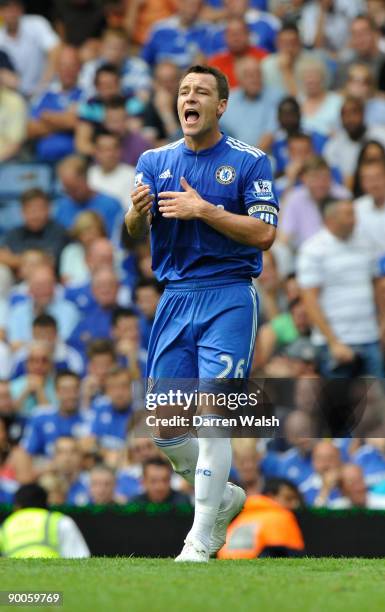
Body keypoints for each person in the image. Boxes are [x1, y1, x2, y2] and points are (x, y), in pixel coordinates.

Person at [125, 64, 278, 562]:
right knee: (166, 430)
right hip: (174, 296)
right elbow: (131, 230)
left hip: (229, 294)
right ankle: (223, 499)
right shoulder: (153, 160)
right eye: (184, 90)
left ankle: (200, 541)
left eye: (201, 91)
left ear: (221, 106)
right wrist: (135, 213)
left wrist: (204, 209)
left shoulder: (250, 161)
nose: (189, 97)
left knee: (214, 418)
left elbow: (264, 234)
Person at [297, 198, 384, 378]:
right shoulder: (313, 249)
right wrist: (333, 342)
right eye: (348, 215)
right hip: (334, 342)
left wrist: (382, 323)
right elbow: (309, 299)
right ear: (330, 219)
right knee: (339, 404)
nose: (354, 220)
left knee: (379, 402)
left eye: (353, 214)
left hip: (370, 336)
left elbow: (378, 286)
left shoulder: (367, 243)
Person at [218, 477, 304, 559]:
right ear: (271, 496)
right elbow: (292, 553)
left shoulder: (242, 518)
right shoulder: (281, 517)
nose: (295, 504)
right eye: (288, 498)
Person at [0, 483, 90, 557]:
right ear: (46, 503)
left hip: (15, 577)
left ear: (17, 506)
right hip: (54, 576)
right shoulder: (59, 521)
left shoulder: (6, 526)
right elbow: (81, 556)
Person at [27, 45, 83, 163]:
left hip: (73, 162)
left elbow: (77, 123)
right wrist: (64, 122)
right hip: (42, 161)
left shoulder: (87, 94)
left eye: (72, 65)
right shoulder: (44, 94)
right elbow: (30, 129)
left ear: (79, 68)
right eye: (63, 65)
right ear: (57, 68)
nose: (67, 70)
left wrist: (47, 117)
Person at [55, 154, 124, 240]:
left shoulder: (111, 205)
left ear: (85, 178)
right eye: (67, 190)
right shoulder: (62, 207)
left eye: (74, 189)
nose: (71, 194)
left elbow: (117, 241)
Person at [0, 189, 68, 274]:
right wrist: (25, 261)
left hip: (49, 282)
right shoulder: (15, 233)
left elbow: (49, 262)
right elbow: (1, 255)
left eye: (39, 209)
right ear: (23, 212)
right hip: (19, 283)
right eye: (31, 209)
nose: (35, 215)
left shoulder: (58, 232)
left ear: (48, 209)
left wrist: (17, 261)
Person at [0, 0, 60, 96]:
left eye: (15, 8)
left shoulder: (36, 23)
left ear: (21, 9)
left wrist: (43, 84)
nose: (11, 13)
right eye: (6, 8)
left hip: (48, 89)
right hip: (17, 96)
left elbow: (56, 50)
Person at [324, 96, 385, 187]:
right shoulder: (333, 145)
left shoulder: (381, 134)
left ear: (363, 114)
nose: (349, 119)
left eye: (354, 113)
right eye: (345, 114)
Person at [219, 55, 280, 146]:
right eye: (249, 75)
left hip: (266, 156)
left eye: (257, 74)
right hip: (232, 155)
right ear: (238, 78)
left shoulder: (276, 98)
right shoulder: (228, 100)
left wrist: (253, 158)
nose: (254, 79)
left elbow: (270, 134)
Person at [141, 0, 214, 69]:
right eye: (191, 5)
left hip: (192, 79)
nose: (193, 11)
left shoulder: (207, 32)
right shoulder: (160, 29)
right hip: (163, 78)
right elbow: (146, 61)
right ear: (180, 4)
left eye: (198, 6)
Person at [208, 17, 268, 88]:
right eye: (232, 34)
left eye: (239, 33)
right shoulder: (215, 64)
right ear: (225, 37)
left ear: (248, 35)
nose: (236, 37)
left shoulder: (263, 58)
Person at [87, 130, 136, 211]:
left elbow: (130, 211)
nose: (109, 154)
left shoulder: (133, 175)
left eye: (114, 148)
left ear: (120, 150)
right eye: (104, 149)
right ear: (95, 151)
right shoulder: (90, 173)